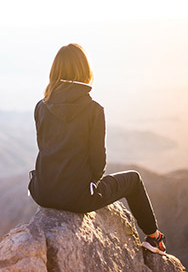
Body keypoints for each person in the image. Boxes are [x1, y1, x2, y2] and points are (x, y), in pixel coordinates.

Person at [28, 43, 166, 255]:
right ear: (85, 71)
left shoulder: (41, 105)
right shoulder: (94, 110)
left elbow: (45, 147)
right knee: (134, 179)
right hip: (78, 198)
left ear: (55, 71)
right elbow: (98, 163)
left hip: (42, 192)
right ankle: (154, 237)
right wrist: (89, 185)